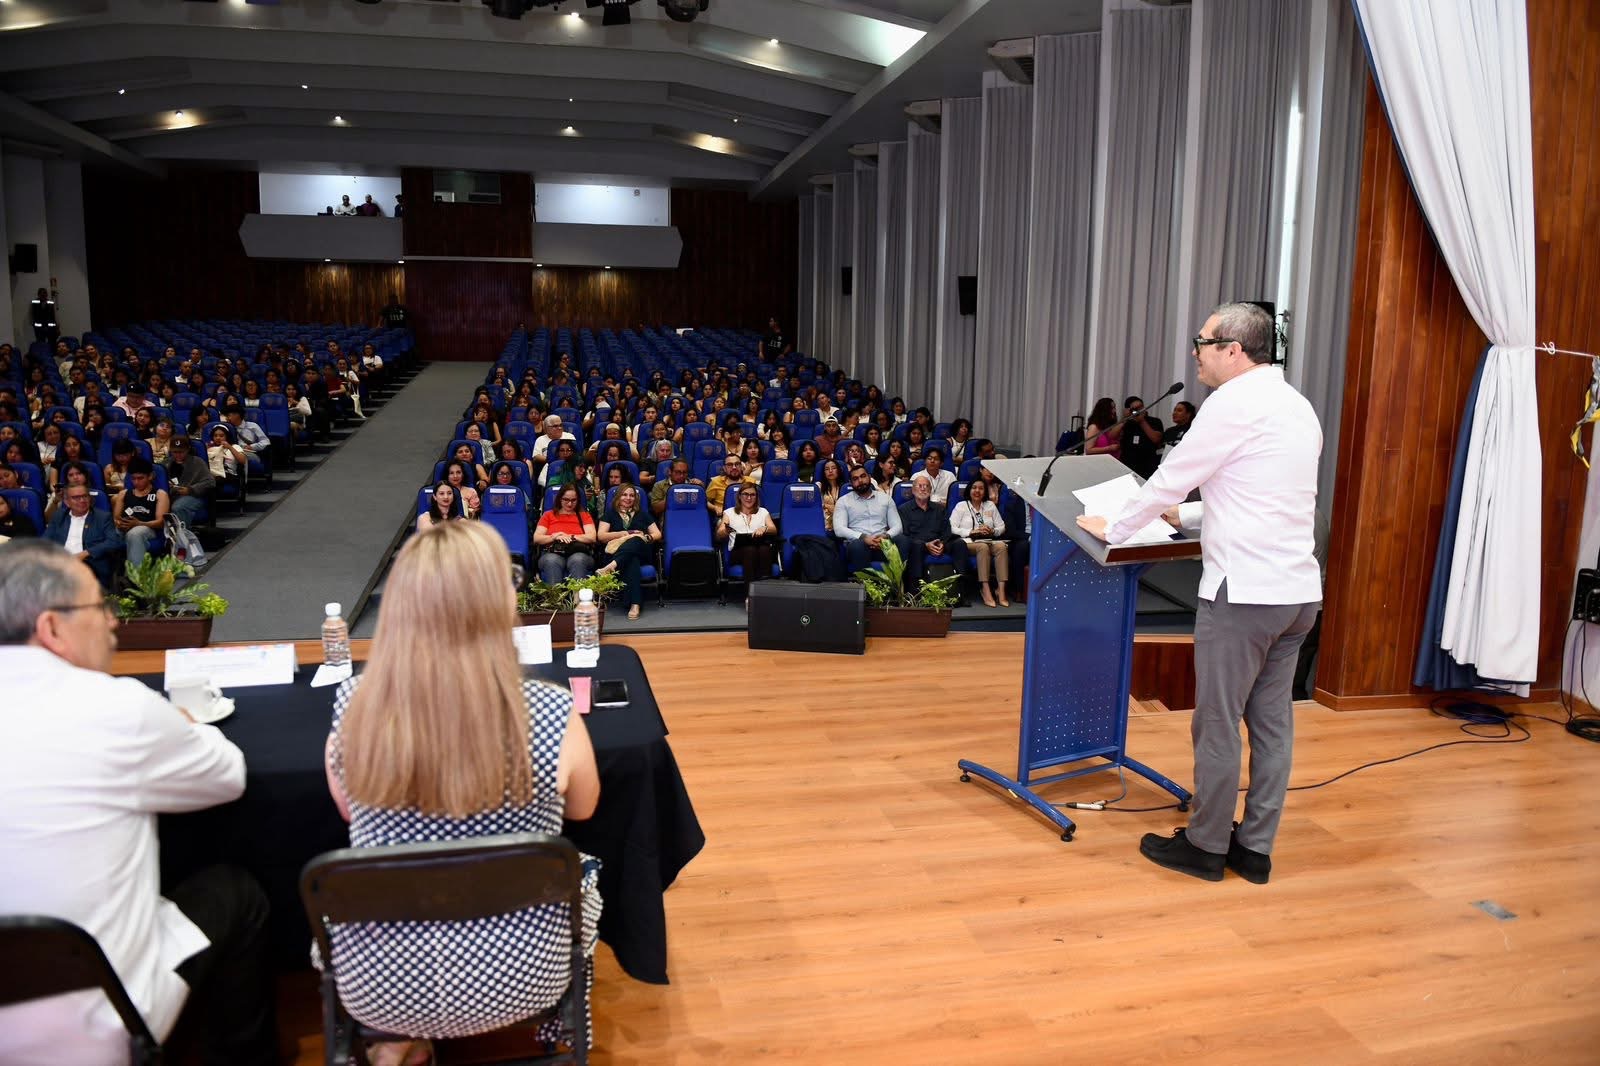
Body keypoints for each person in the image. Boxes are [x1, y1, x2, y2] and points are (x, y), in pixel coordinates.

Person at [320, 522, 600, 1066]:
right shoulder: (549, 709)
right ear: (497, 603)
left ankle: (396, 1040)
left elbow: (350, 811)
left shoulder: (354, 703)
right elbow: (584, 808)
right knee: (582, 868)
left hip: (380, 986)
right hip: (525, 978)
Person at [0, 539, 277, 1066]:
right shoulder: (114, 706)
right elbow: (226, 776)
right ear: (51, 628)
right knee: (235, 893)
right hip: (96, 1030)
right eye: (98, 606)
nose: (112, 621)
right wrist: (186, 723)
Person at [1076, 302, 1321, 883]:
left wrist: (1117, 530)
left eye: (1203, 341)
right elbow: (1254, 495)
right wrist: (1183, 519)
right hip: (1297, 594)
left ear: (1233, 350)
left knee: (1216, 723)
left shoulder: (1232, 404)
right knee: (1272, 726)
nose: (1195, 352)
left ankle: (1206, 845)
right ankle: (1254, 850)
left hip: (1243, 595)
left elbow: (1168, 479)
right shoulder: (1297, 405)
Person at [596, 483, 659, 621]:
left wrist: (645, 537)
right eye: (624, 495)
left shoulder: (642, 514)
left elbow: (657, 534)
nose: (628, 498)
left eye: (631, 495)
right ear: (618, 497)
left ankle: (612, 566)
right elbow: (601, 536)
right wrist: (625, 534)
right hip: (617, 552)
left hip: (642, 552)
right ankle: (635, 604)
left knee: (636, 539)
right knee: (632, 560)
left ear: (635, 498)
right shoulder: (610, 514)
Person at [835, 464, 910, 574]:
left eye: (863, 476)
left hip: (884, 545)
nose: (860, 481)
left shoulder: (885, 499)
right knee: (857, 546)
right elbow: (839, 529)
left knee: (903, 540)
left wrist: (885, 536)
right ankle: (867, 583)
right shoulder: (843, 501)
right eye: (855, 479)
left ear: (869, 477)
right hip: (859, 546)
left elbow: (898, 527)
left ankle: (899, 582)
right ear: (851, 483)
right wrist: (863, 537)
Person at [45, 482, 124, 586]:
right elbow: (45, 540)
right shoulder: (59, 516)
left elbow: (114, 542)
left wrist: (85, 553)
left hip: (90, 566)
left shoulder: (102, 518)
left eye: (85, 496)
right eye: (76, 498)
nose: (82, 500)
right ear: (67, 502)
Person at [898, 473, 968, 587]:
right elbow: (906, 534)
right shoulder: (903, 510)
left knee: (960, 544)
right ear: (913, 490)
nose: (923, 489)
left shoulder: (940, 509)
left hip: (939, 544)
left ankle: (961, 586)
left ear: (930, 490)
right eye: (920, 486)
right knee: (917, 545)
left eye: (926, 486)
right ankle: (915, 588)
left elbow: (947, 531)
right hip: (918, 546)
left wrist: (942, 543)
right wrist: (926, 545)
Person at [950, 477, 1009, 607]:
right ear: (969, 490)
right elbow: (951, 527)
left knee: (1001, 546)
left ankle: (1001, 590)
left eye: (981, 488)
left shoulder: (990, 505)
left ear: (985, 491)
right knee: (982, 547)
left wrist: (992, 531)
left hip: (988, 540)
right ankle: (985, 588)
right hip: (968, 542)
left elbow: (1002, 527)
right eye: (974, 488)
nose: (977, 491)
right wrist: (971, 531)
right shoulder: (961, 506)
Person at [717, 484, 778, 600]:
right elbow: (719, 534)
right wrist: (725, 530)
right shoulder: (729, 513)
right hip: (737, 553)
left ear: (756, 497)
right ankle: (750, 597)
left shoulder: (763, 512)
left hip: (759, 549)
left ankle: (765, 595)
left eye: (752, 495)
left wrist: (764, 528)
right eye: (745, 494)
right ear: (739, 496)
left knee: (764, 549)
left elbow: (773, 529)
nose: (749, 498)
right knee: (750, 550)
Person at [535, 484, 598, 584]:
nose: (569, 504)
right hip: (552, 552)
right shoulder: (548, 515)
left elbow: (592, 537)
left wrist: (571, 536)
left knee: (578, 560)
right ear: (560, 499)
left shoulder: (584, 515)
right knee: (552, 561)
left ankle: (578, 594)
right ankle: (555, 594)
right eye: (566, 499)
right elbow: (537, 538)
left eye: (573, 500)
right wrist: (555, 536)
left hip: (578, 552)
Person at [114, 458, 170, 567]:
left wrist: (138, 523)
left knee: (135, 533)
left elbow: (160, 523)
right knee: (106, 532)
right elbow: (116, 518)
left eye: (140, 478)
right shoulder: (123, 494)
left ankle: (135, 575)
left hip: (148, 528)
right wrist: (120, 524)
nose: (136, 482)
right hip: (126, 528)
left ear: (150, 476)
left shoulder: (160, 494)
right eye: (133, 478)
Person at [164, 435, 215, 528]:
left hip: (193, 496)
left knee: (179, 507)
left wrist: (190, 490)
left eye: (181, 452)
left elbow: (210, 481)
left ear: (188, 450)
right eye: (175, 452)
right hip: (172, 495)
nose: (178, 455)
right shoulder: (166, 464)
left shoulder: (197, 462)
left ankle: (183, 534)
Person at [1117, 395, 1165, 479]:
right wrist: (1124, 418)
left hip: (1147, 466)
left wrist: (1141, 420)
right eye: (1135, 409)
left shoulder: (1154, 421)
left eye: (1141, 407)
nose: (1139, 410)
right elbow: (1112, 435)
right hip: (1127, 466)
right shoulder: (1127, 423)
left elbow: (1156, 439)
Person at [705, 454, 755, 519]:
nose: (734, 467)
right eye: (729, 465)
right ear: (724, 468)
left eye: (737, 464)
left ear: (741, 466)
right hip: (724, 517)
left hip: (748, 516)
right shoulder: (715, 482)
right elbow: (705, 501)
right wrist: (715, 508)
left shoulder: (751, 481)